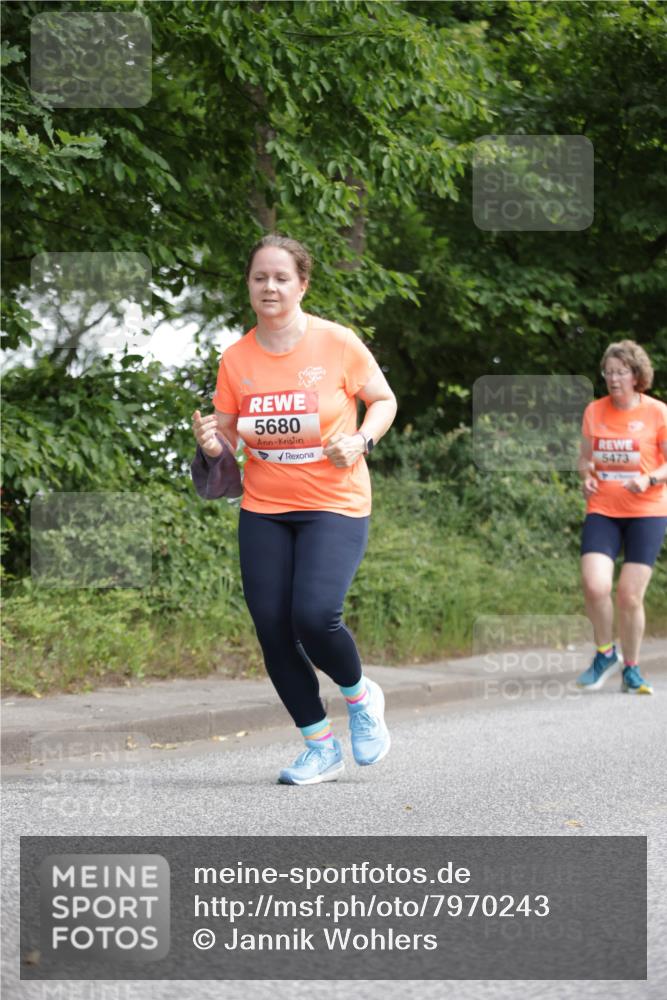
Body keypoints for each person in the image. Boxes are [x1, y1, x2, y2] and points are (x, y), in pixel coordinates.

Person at [191, 234, 397, 784]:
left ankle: (359, 697)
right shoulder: (236, 358)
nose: (270, 286)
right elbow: (232, 432)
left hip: (335, 500)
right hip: (265, 505)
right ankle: (319, 746)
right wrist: (213, 443)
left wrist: (361, 442)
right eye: (260, 277)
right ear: (249, 286)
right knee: (273, 629)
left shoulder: (337, 342)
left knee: (314, 615)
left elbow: (383, 400)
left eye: (282, 277)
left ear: (302, 284)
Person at [576, 340, 667, 695]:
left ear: (636, 374)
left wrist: (650, 478)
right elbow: (585, 459)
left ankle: (632, 668)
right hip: (603, 509)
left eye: (620, 372)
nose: (613, 379)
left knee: (629, 595)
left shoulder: (657, 412)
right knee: (596, 585)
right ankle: (604, 653)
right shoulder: (594, 411)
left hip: (647, 512)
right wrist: (585, 475)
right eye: (608, 372)